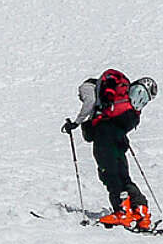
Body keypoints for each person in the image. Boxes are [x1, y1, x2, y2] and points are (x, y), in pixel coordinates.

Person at [62, 69, 151, 230]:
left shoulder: (87, 87)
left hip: (105, 136)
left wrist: (75, 123)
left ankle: (121, 211)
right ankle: (140, 211)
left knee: (109, 173)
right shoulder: (119, 95)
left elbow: (89, 103)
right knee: (123, 175)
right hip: (119, 136)